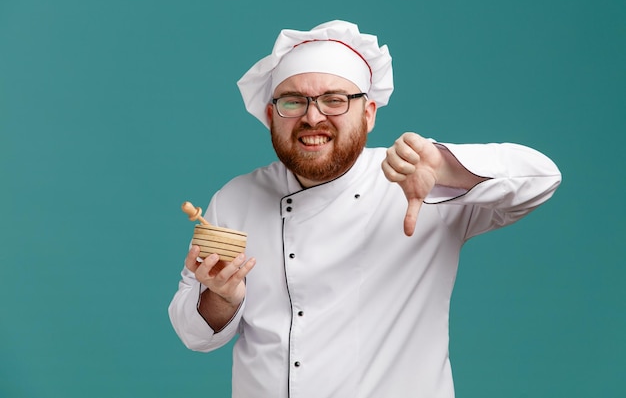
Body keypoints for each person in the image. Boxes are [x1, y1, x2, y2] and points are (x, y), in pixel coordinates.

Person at [168, 20, 561, 398]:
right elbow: (193, 334)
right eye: (293, 101)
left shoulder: (416, 180)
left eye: (334, 100)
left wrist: (446, 168)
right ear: (272, 115)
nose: (313, 116)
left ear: (369, 113)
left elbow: (543, 179)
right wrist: (221, 297)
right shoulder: (235, 199)